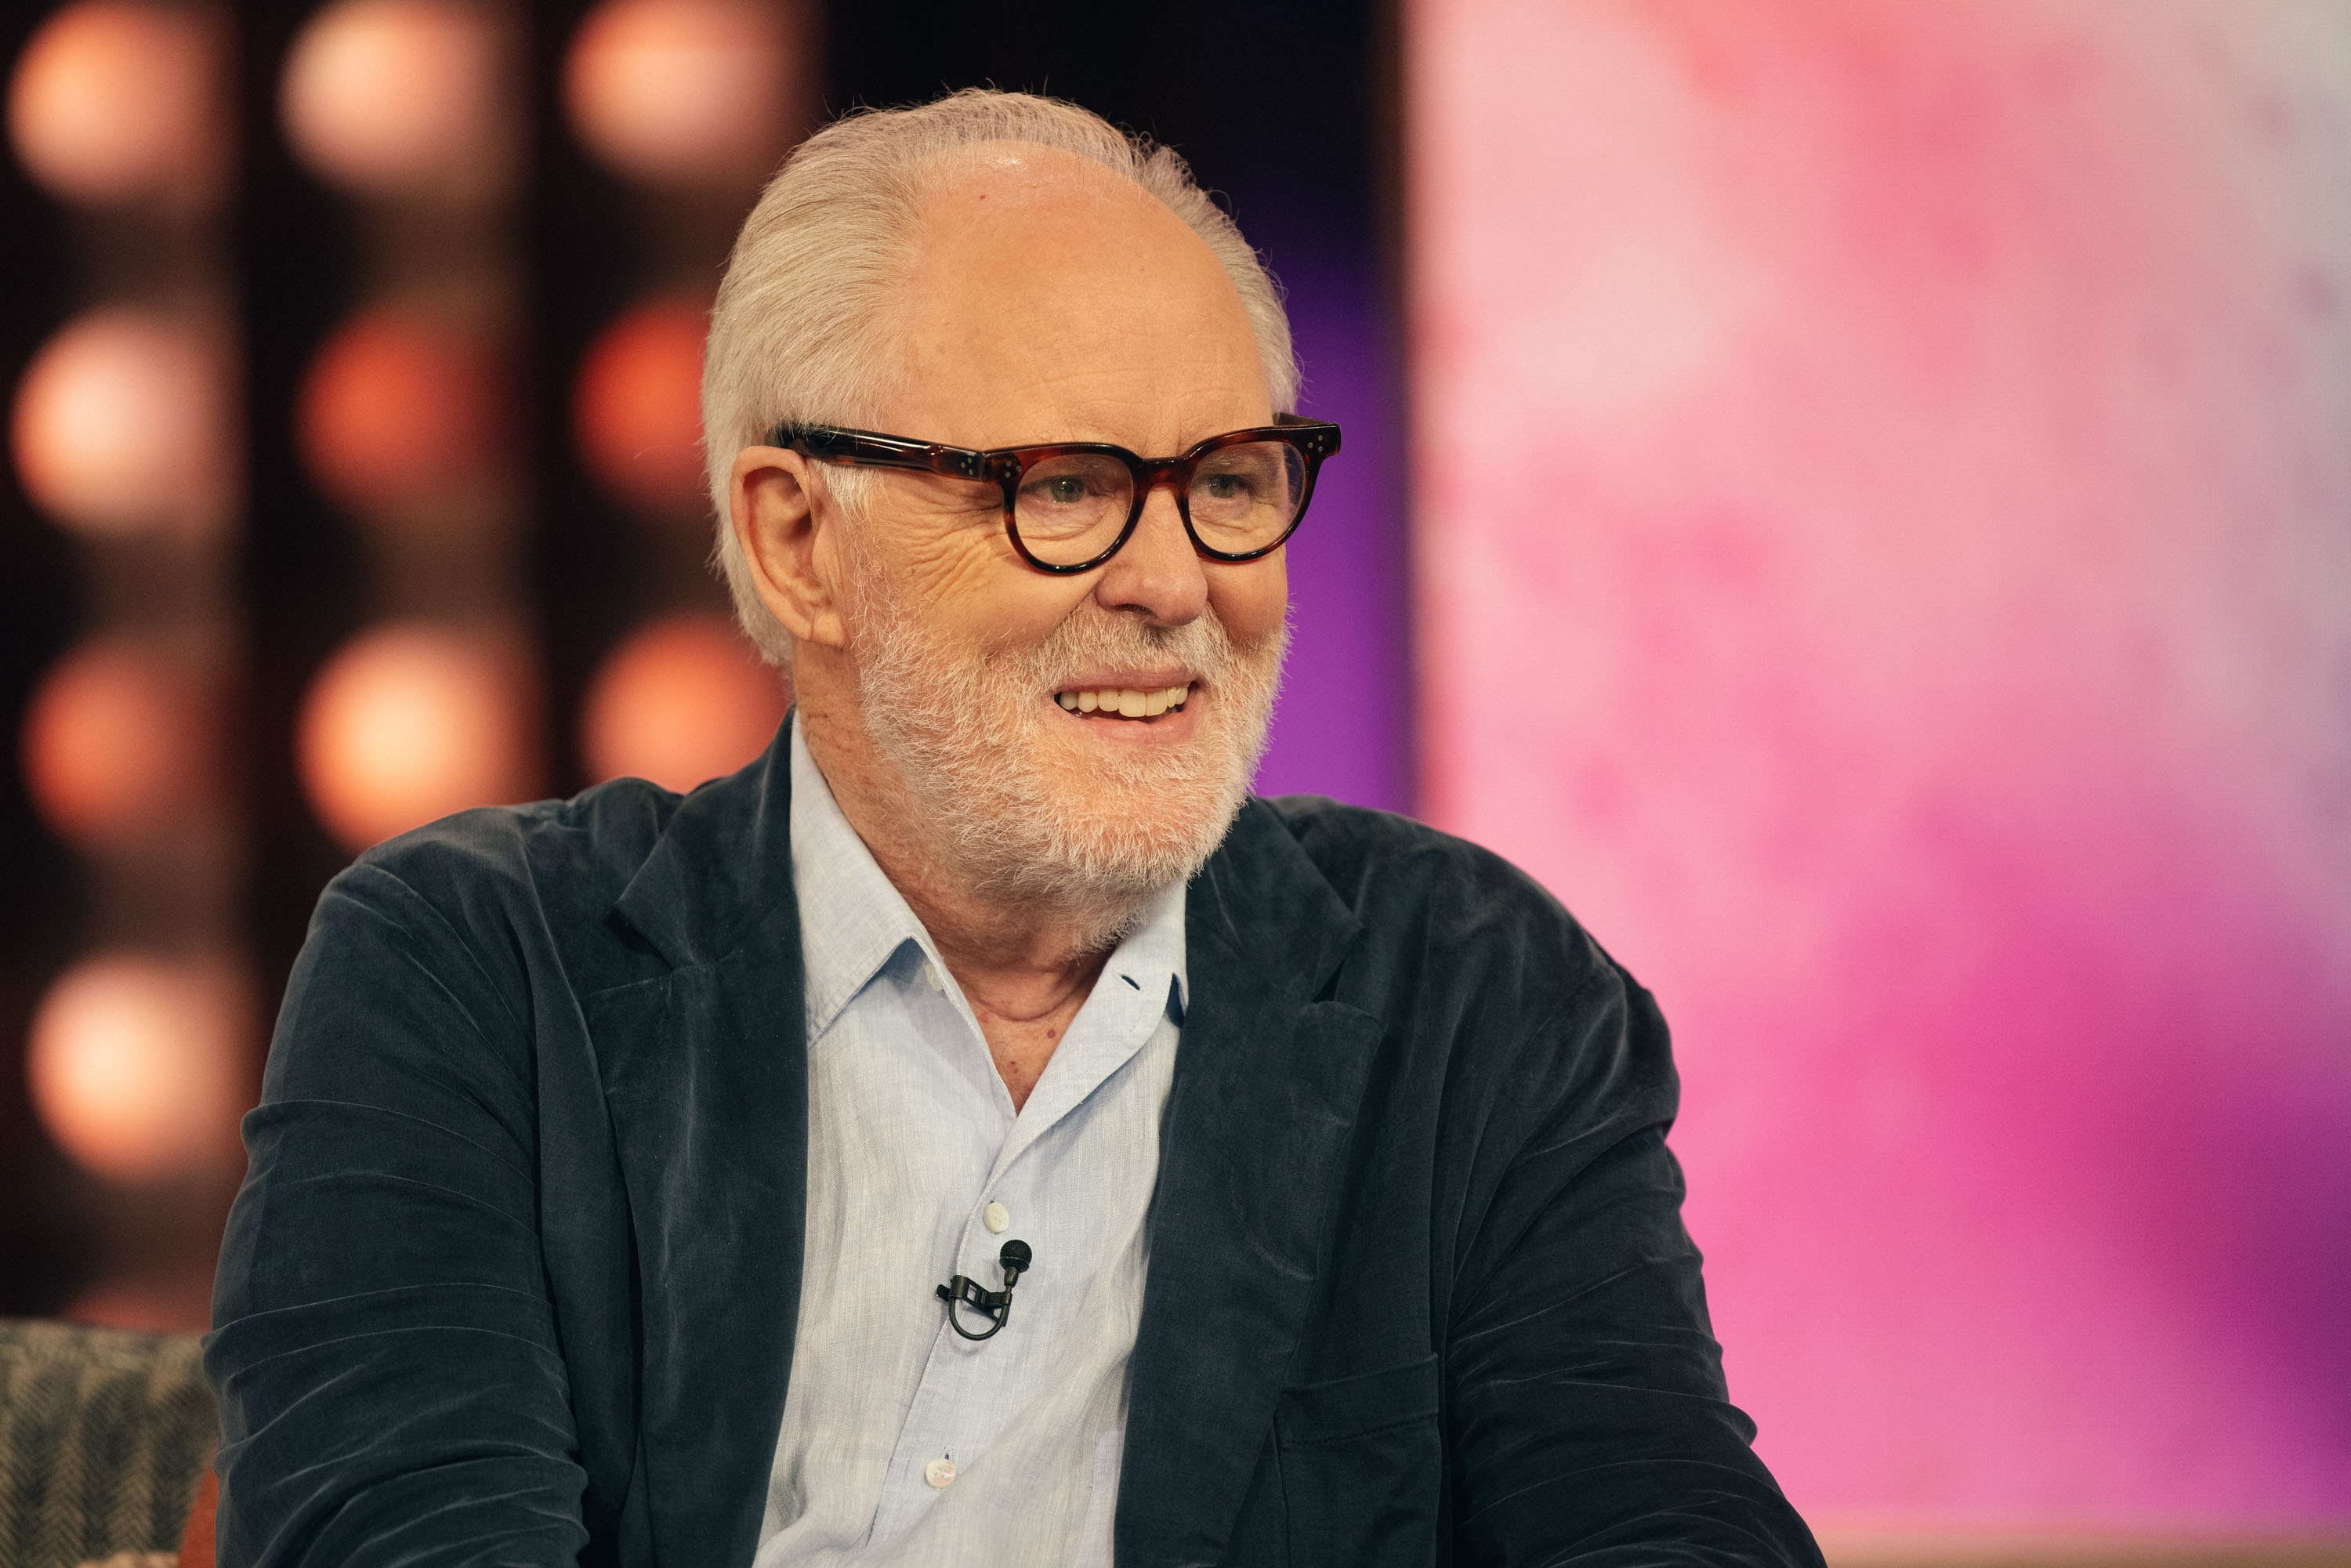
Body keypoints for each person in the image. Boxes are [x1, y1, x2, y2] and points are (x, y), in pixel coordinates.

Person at [205, 89, 1820, 1568]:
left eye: (1232, 481)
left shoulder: (1475, 994)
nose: (1177, 581)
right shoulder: (481, 976)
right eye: (1065, 488)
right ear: (797, 544)